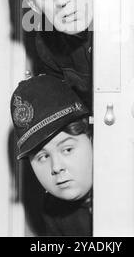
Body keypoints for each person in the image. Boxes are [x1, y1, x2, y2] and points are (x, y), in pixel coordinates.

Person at [11, 74, 93, 237]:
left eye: (67, 149)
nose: (56, 167)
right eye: (43, 157)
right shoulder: (55, 210)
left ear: (91, 139)